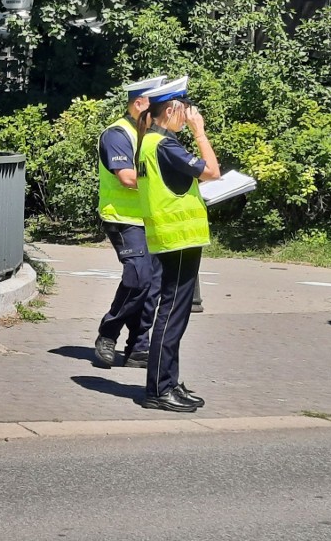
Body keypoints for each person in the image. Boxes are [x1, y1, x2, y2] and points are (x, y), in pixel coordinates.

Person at [135, 76, 220, 412]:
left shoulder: (151, 142)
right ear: (171, 109)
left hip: (171, 238)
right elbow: (211, 171)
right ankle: (158, 388)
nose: (188, 116)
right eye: (185, 111)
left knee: (175, 313)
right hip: (178, 240)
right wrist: (200, 132)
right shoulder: (164, 144)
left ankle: (168, 381)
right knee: (171, 314)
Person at [93, 75, 166, 369]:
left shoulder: (153, 136)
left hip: (152, 219)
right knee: (139, 278)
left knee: (153, 286)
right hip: (123, 219)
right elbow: (126, 178)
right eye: (155, 107)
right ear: (139, 104)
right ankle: (108, 333)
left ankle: (138, 348)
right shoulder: (117, 134)